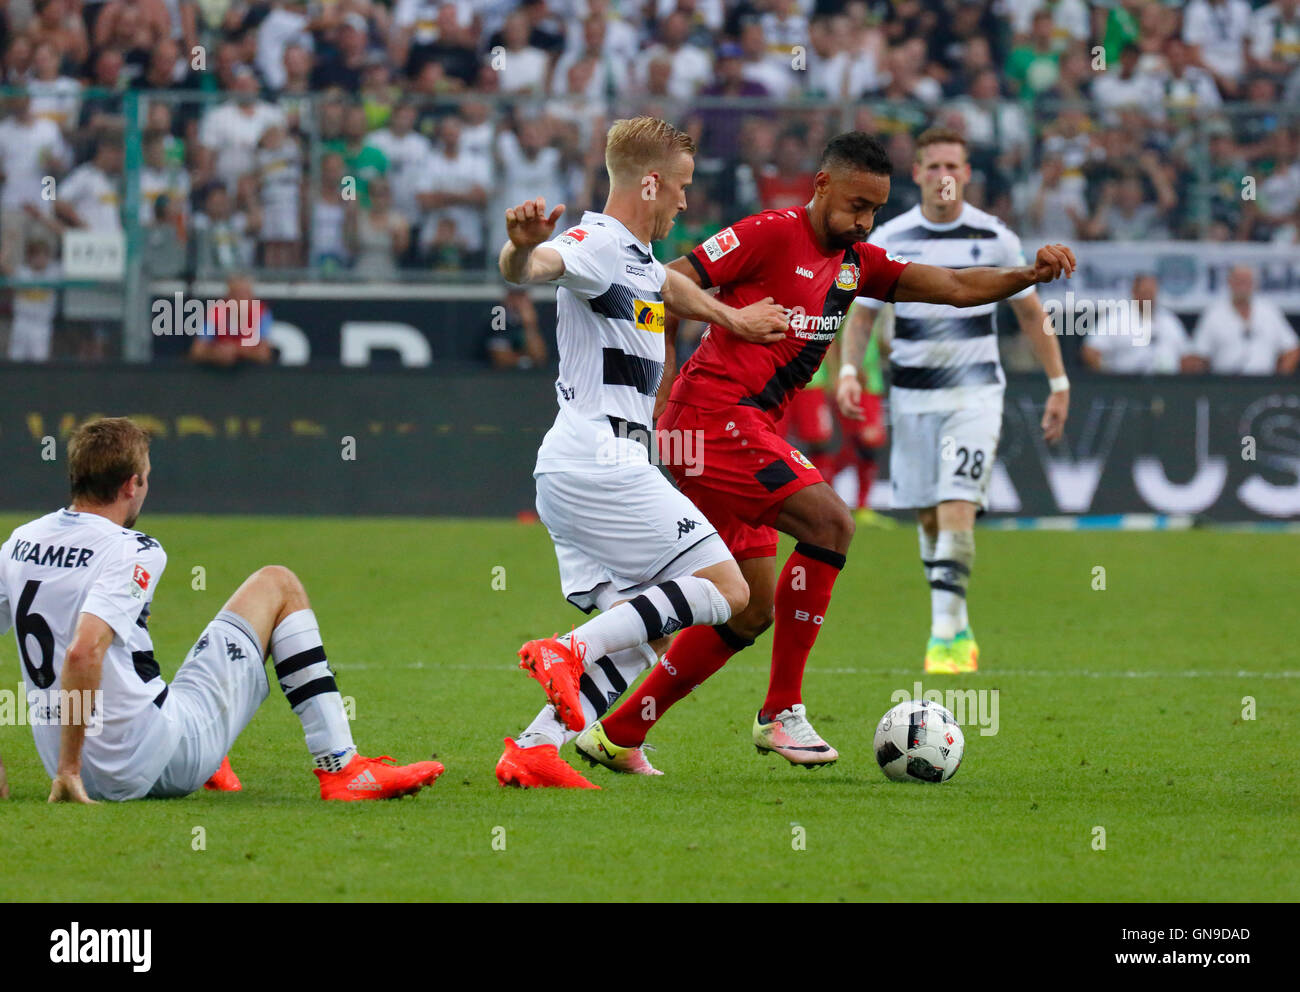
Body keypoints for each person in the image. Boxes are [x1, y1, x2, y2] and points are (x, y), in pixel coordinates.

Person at [574, 131, 1075, 774]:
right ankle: (780, 712)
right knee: (832, 523)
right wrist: (662, 391)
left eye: (875, 211)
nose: (864, 221)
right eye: (856, 205)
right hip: (711, 417)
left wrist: (1026, 276)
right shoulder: (770, 233)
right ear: (821, 186)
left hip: (742, 426)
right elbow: (666, 282)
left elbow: (951, 285)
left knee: (749, 607)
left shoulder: (856, 263)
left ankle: (618, 734)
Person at [493, 116, 785, 787]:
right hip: (599, 456)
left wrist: (733, 319)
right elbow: (536, 267)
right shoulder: (592, 243)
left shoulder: (638, 260)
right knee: (729, 589)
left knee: (650, 628)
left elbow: (665, 286)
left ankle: (534, 751)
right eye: (681, 186)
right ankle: (564, 651)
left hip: (586, 462)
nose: (686, 200)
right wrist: (519, 251)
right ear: (650, 182)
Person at [0, 417, 443, 802]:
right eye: (147, 477)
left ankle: (213, 760)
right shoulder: (131, 549)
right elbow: (83, 653)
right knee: (279, 584)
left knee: (141, 655)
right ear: (131, 483)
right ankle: (342, 768)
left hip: (77, 761)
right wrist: (69, 770)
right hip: (149, 759)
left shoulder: (19, 542)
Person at [839, 127, 1071, 676]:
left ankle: (943, 635)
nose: (944, 175)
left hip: (975, 394)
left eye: (954, 166)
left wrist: (1059, 383)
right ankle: (955, 616)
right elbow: (864, 314)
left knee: (956, 503)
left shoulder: (994, 237)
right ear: (917, 173)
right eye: (934, 166)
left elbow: (1031, 314)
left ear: (966, 174)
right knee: (926, 515)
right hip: (912, 396)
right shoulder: (890, 236)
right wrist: (850, 369)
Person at [1184, 264, 1300, 375]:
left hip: (1264, 384)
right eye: (1238, 281)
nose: (1242, 286)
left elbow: (1292, 348)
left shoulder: (1269, 312)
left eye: (1246, 281)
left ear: (1255, 284)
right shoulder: (1214, 314)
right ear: (1230, 283)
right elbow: (1198, 355)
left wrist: (1278, 381)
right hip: (1226, 385)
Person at [1080, 273, 1190, 374]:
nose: (1148, 297)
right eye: (1145, 293)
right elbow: (1090, 351)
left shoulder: (1169, 321)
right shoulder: (1117, 318)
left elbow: (1186, 357)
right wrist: (1109, 376)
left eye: (1151, 293)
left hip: (1165, 385)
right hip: (1125, 385)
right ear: (1134, 292)